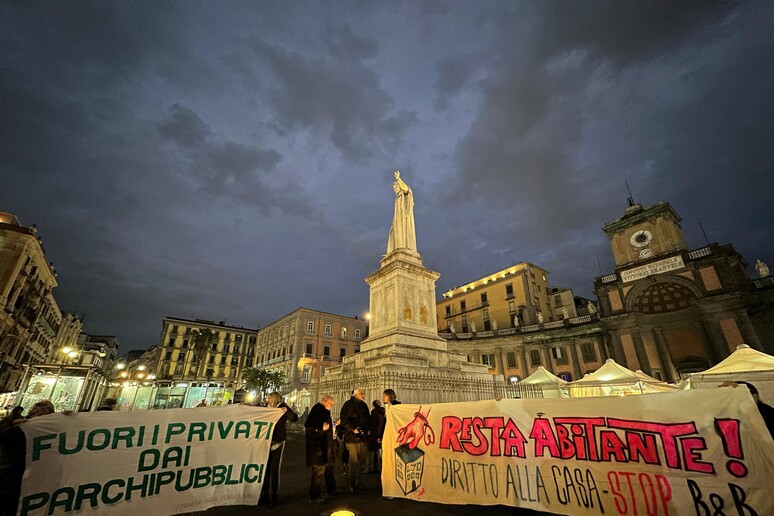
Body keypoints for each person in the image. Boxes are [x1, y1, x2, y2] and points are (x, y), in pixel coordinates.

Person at [0, 400, 55, 516]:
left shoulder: (49, 429)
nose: (39, 416)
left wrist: (70, 418)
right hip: (11, 475)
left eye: (44, 414)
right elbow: (3, 437)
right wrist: (14, 426)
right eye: (38, 412)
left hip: (32, 477)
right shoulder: (17, 423)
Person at [259, 392, 297, 507]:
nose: (268, 399)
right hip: (265, 442)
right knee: (265, 470)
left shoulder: (281, 408)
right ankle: (264, 494)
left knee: (274, 470)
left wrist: (287, 410)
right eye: (268, 398)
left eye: (270, 398)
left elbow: (294, 418)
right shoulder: (264, 409)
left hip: (278, 442)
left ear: (275, 399)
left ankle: (274, 494)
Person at [305, 395, 337, 504]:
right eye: (330, 404)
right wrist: (320, 427)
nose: (331, 407)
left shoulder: (325, 411)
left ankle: (330, 489)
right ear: (324, 402)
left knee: (328, 468)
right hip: (318, 447)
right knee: (318, 472)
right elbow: (308, 425)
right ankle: (314, 496)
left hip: (326, 445)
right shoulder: (317, 410)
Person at [339, 388, 371, 493]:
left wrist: (368, 429)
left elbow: (368, 419)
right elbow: (344, 420)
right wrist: (353, 429)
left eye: (364, 393)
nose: (363, 395)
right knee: (354, 462)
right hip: (352, 438)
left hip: (363, 438)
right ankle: (352, 484)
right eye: (361, 393)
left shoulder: (364, 405)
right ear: (355, 394)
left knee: (363, 462)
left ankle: (359, 482)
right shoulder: (348, 405)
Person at [386, 171, 417, 254]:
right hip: (398, 221)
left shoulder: (405, 196)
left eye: (396, 187)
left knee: (402, 233)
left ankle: (403, 247)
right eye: (394, 189)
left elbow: (407, 189)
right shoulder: (397, 199)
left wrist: (398, 179)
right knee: (393, 233)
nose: (395, 190)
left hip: (404, 220)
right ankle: (396, 248)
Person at [368, 400, 386, 474]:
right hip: (379, 434)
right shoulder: (383, 413)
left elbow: (373, 423)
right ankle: (378, 467)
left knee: (372, 451)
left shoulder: (374, 413)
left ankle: (371, 467)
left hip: (374, 434)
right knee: (377, 451)